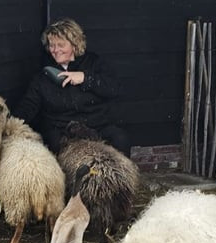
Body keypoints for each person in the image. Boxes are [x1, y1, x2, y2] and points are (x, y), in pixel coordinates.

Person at [12, 18, 131, 156]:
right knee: (54, 146)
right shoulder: (43, 76)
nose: (55, 50)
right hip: (62, 129)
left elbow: (114, 88)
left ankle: (118, 177)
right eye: (51, 45)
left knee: (120, 139)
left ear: (74, 45)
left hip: (96, 126)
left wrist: (85, 78)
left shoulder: (94, 63)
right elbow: (29, 105)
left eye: (60, 45)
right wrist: (10, 124)